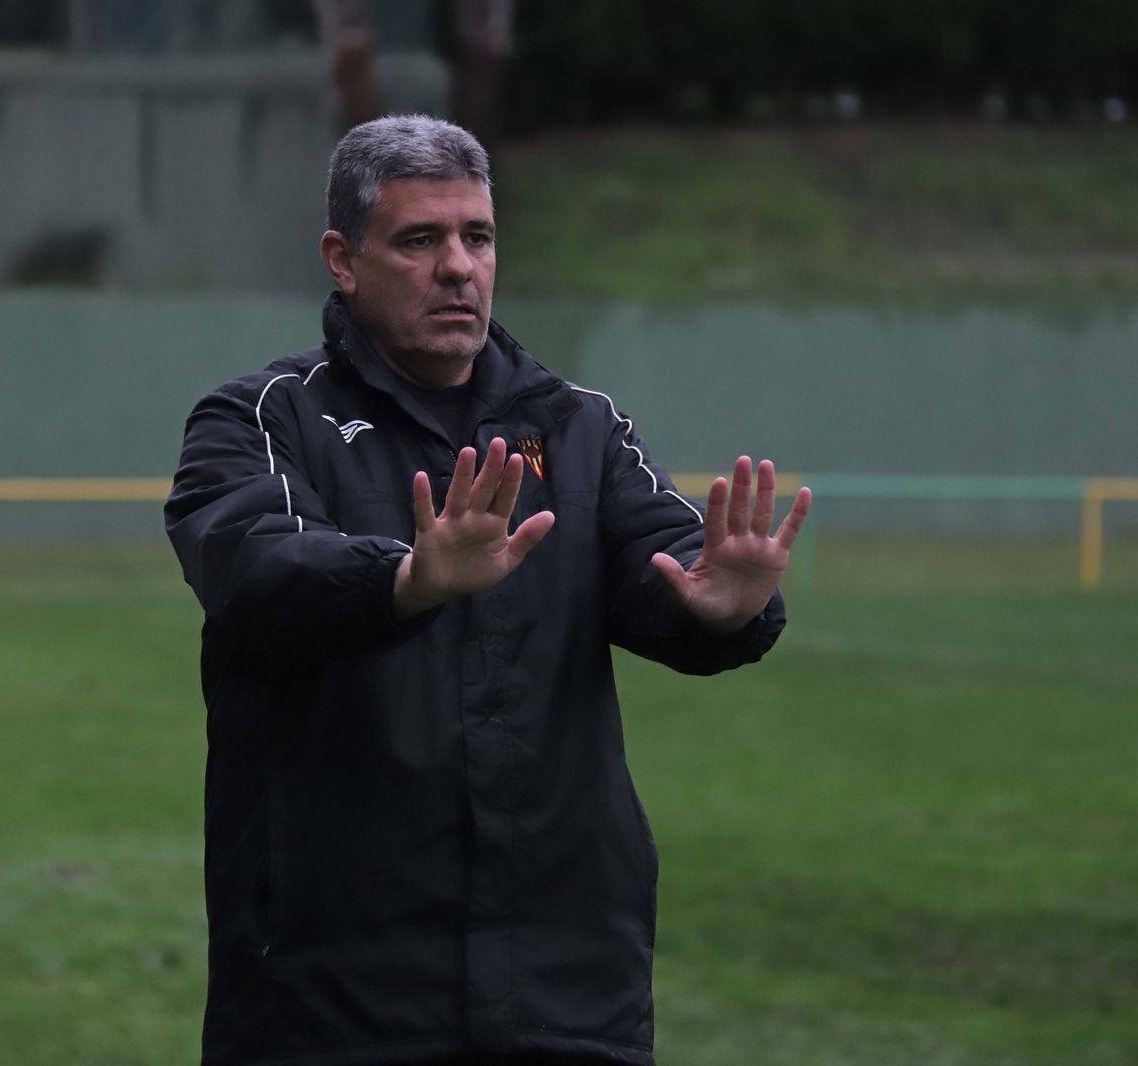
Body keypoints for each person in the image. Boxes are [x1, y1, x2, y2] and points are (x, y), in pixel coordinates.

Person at [165, 114, 811, 1066]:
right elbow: (256, 570)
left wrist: (727, 606)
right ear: (343, 260)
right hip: (332, 995)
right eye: (420, 240)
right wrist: (406, 578)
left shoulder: (579, 427)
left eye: (478, 236)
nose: (459, 267)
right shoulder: (263, 417)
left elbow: (669, 571)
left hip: (565, 990)